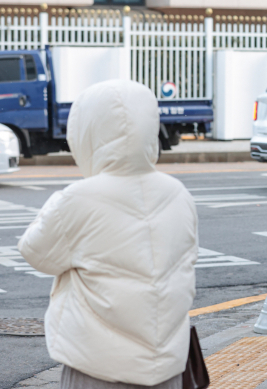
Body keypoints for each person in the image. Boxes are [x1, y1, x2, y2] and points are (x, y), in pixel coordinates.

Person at [18, 80, 198, 389]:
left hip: (98, 367)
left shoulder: (79, 198)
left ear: (85, 133)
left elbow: (35, 252)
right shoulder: (178, 193)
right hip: (168, 366)